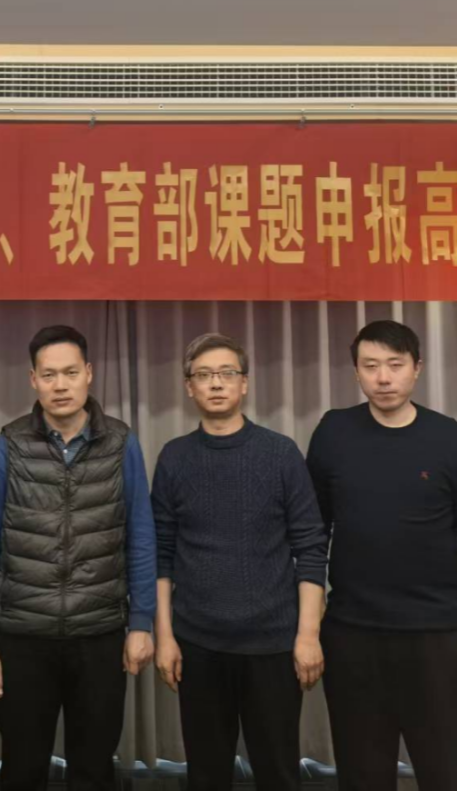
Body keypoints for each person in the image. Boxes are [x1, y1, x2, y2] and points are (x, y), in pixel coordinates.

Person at [306, 320, 457, 791]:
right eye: (370, 366)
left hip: (435, 636)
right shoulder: (334, 432)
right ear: (356, 371)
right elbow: (312, 534)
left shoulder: (449, 438)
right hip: (352, 636)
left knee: (449, 775)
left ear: (417, 368)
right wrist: (308, 626)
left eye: (395, 365)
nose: (383, 377)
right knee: (363, 775)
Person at [0, 325, 158, 791]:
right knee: (22, 767)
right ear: (33, 379)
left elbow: (141, 536)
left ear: (89, 373)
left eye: (71, 372)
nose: (60, 385)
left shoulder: (121, 443)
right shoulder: (6, 448)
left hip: (99, 634)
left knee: (93, 768)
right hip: (22, 636)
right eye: (49, 375)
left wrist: (141, 623)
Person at [151, 333, 329, 791]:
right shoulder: (174, 458)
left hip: (273, 645)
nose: (216, 384)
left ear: (244, 383)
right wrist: (165, 637)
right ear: (189, 386)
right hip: (198, 644)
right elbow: (161, 555)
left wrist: (308, 635)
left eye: (227, 373)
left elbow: (311, 547)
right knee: (206, 775)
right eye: (204, 375)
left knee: (278, 772)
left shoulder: (280, 453)